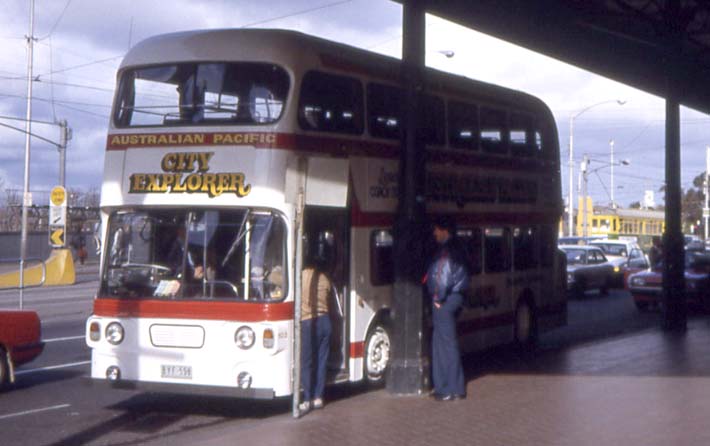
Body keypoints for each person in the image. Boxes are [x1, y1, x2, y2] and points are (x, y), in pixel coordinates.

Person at [425, 215, 469, 401]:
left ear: (445, 230)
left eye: (436, 229)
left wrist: (437, 297)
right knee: (446, 342)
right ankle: (452, 387)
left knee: (444, 344)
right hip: (456, 297)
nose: (434, 233)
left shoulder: (445, 251)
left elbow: (441, 275)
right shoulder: (458, 247)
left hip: (445, 300)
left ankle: (448, 388)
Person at [299, 250, 332, 413]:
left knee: (306, 362)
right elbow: (329, 295)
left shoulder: (301, 276)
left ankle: (306, 398)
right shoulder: (325, 279)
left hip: (308, 321)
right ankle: (318, 397)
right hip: (325, 321)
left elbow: (276, 279)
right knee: (321, 361)